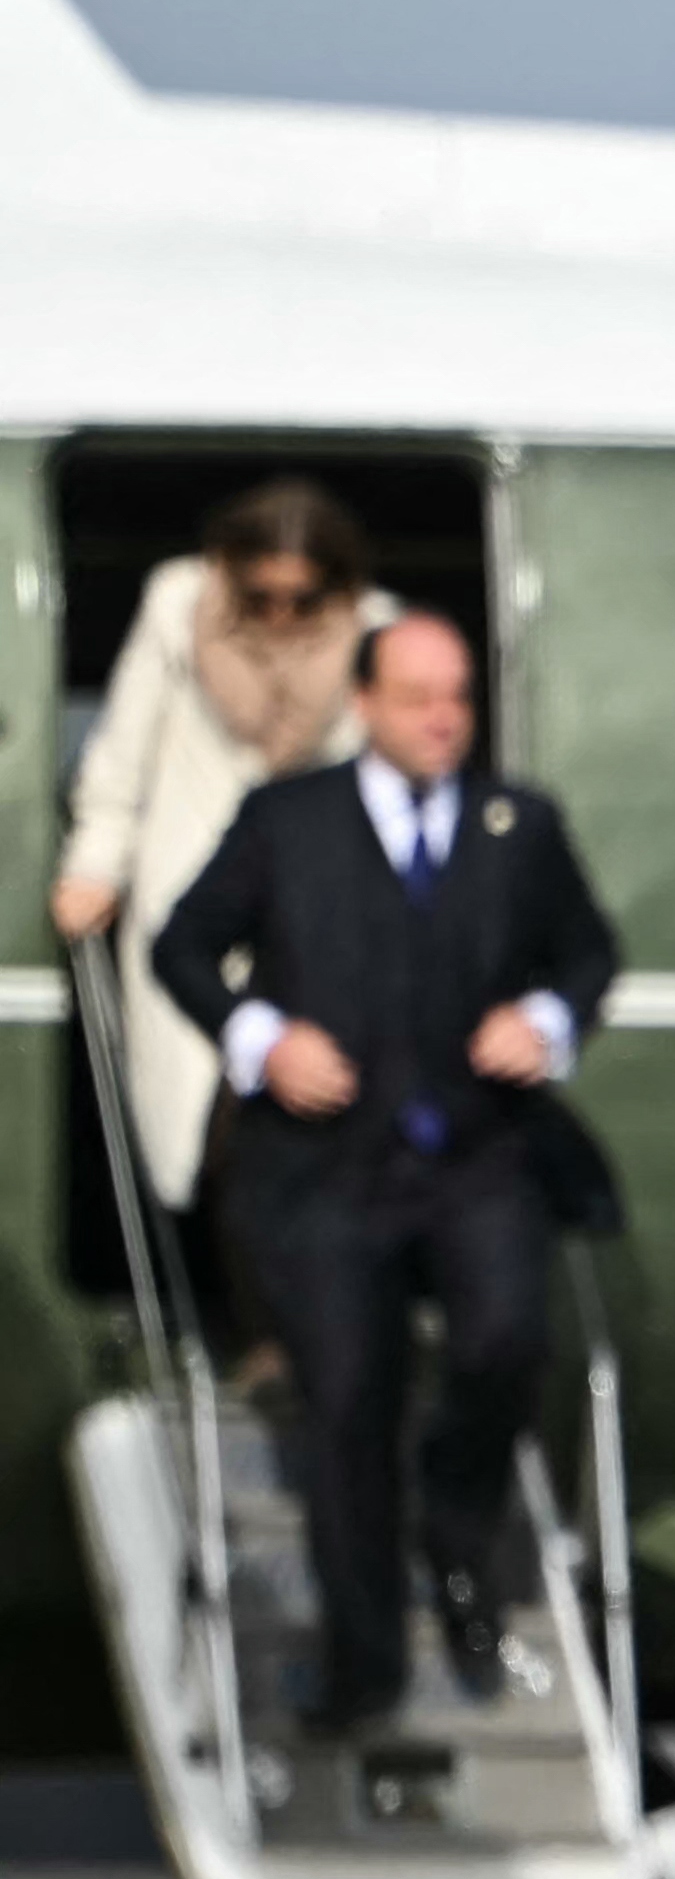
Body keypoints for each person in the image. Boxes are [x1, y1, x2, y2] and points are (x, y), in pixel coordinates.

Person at [150, 613, 618, 1732]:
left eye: (455, 696)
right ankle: (365, 1660)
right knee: (349, 1403)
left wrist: (547, 1017)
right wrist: (262, 1039)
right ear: (365, 703)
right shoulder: (286, 821)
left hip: (474, 1154)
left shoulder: (519, 825)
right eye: (417, 697)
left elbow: (588, 951)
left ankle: (456, 1532)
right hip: (322, 1170)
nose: (442, 717)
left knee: (507, 1340)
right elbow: (182, 945)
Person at [53, 477, 398, 1329]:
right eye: (258, 597)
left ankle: (292, 1337)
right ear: (223, 571)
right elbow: (124, 750)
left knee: (297, 1118)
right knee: (209, 1126)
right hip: (190, 903)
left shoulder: (375, 629)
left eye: (303, 599)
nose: (279, 617)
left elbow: (379, 786)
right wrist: (96, 859)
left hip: (310, 916)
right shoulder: (178, 606)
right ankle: (265, 1332)